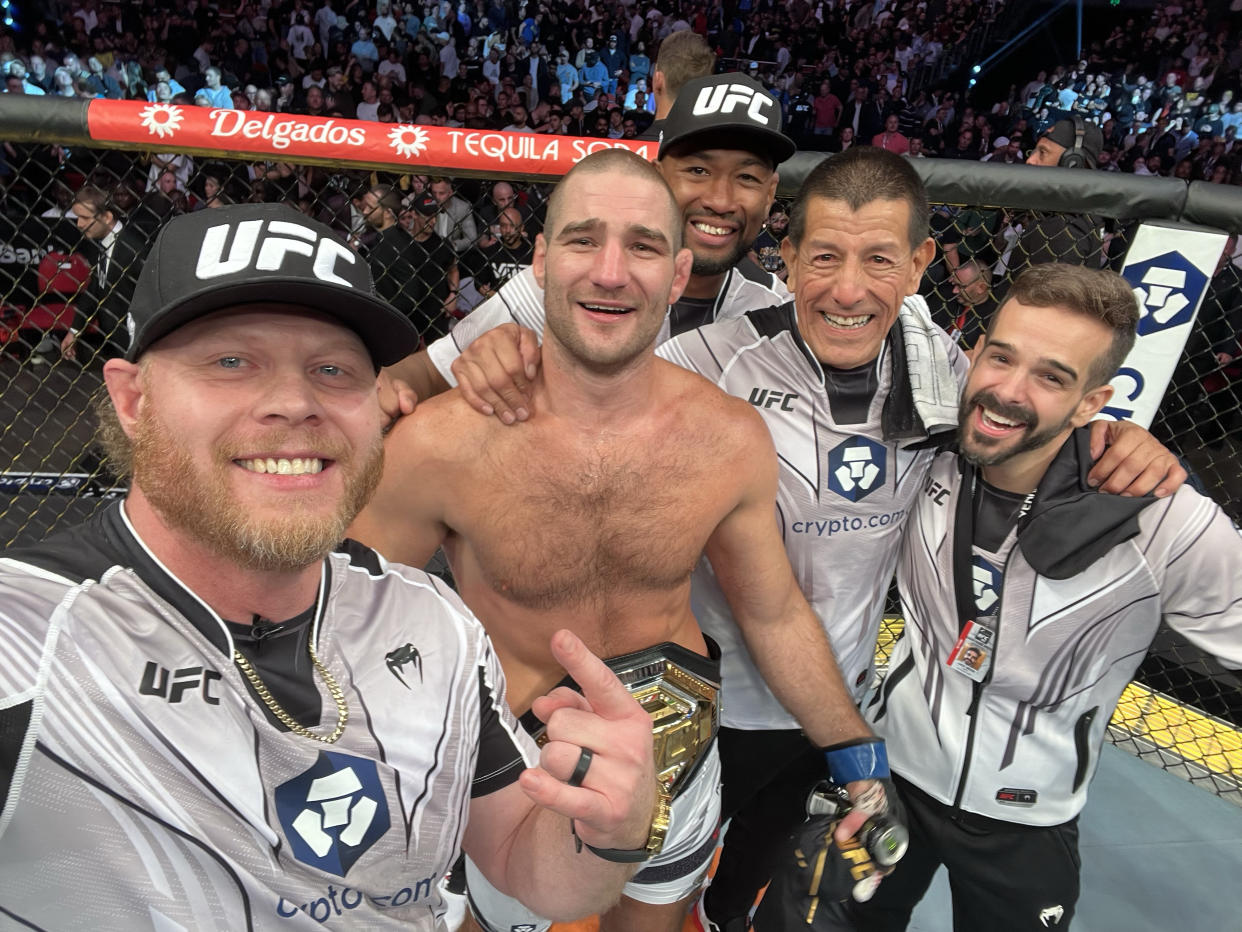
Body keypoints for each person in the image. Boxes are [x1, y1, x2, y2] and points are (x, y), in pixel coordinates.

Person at [0, 203, 661, 930]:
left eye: (332, 369)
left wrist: (607, 830)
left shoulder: (433, 619)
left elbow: (529, 869)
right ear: (132, 399)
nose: (294, 403)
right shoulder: (29, 633)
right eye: (231, 362)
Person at [349, 149, 897, 932]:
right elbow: (345, 628)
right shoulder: (441, 445)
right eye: (582, 241)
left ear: (677, 275)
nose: (611, 272)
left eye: (642, 246)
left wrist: (856, 752)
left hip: (680, 760)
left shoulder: (728, 437)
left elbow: (772, 613)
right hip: (515, 781)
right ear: (540, 261)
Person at [829, 263, 1242, 932]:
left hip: (1026, 818)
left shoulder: (1161, 517)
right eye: (1000, 357)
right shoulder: (916, 455)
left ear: (1091, 402)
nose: (1007, 392)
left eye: (1051, 376)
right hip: (890, 774)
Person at [384, 72, 793, 411]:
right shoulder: (571, 282)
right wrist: (392, 399)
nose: (720, 200)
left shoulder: (777, 315)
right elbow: (419, 375)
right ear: (659, 175)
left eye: (747, 177)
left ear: (771, 193)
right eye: (698, 170)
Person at [60, 184, 150, 363]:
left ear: (107, 217)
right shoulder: (101, 243)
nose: (79, 224)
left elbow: (148, 301)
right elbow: (95, 288)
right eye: (77, 217)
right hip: (116, 342)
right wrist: (74, 331)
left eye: (85, 217)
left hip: (138, 347)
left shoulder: (134, 250)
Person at [1006, 117, 1106, 276]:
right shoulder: (1061, 216)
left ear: (1073, 164)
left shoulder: (1065, 230)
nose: (1030, 160)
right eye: (1034, 151)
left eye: (1043, 152)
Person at [363, 184, 458, 340]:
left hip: (435, 312)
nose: (433, 221)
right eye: (427, 216)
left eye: (435, 215)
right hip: (410, 316)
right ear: (414, 214)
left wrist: (453, 295)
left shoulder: (442, 245)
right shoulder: (400, 242)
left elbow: (453, 269)